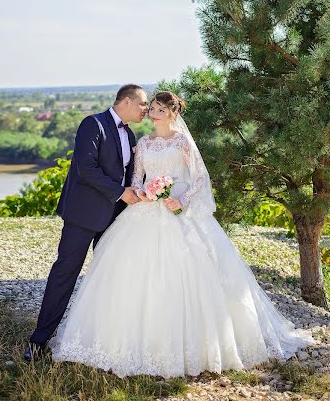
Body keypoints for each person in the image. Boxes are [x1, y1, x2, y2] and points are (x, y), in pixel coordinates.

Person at [48, 90, 315, 377]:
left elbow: (199, 177)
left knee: (189, 270)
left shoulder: (182, 141)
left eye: (160, 109)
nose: (152, 112)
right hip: (146, 210)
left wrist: (182, 200)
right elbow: (136, 178)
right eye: (151, 107)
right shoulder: (143, 143)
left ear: (173, 113)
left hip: (178, 209)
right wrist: (143, 191)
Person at [23, 84, 149, 361]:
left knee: (110, 278)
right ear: (126, 101)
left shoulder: (130, 134)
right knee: (64, 275)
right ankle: (38, 340)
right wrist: (120, 192)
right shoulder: (93, 124)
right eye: (142, 104)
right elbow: (86, 168)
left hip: (114, 219)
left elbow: (129, 176)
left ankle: (101, 341)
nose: (146, 110)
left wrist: (143, 192)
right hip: (83, 216)